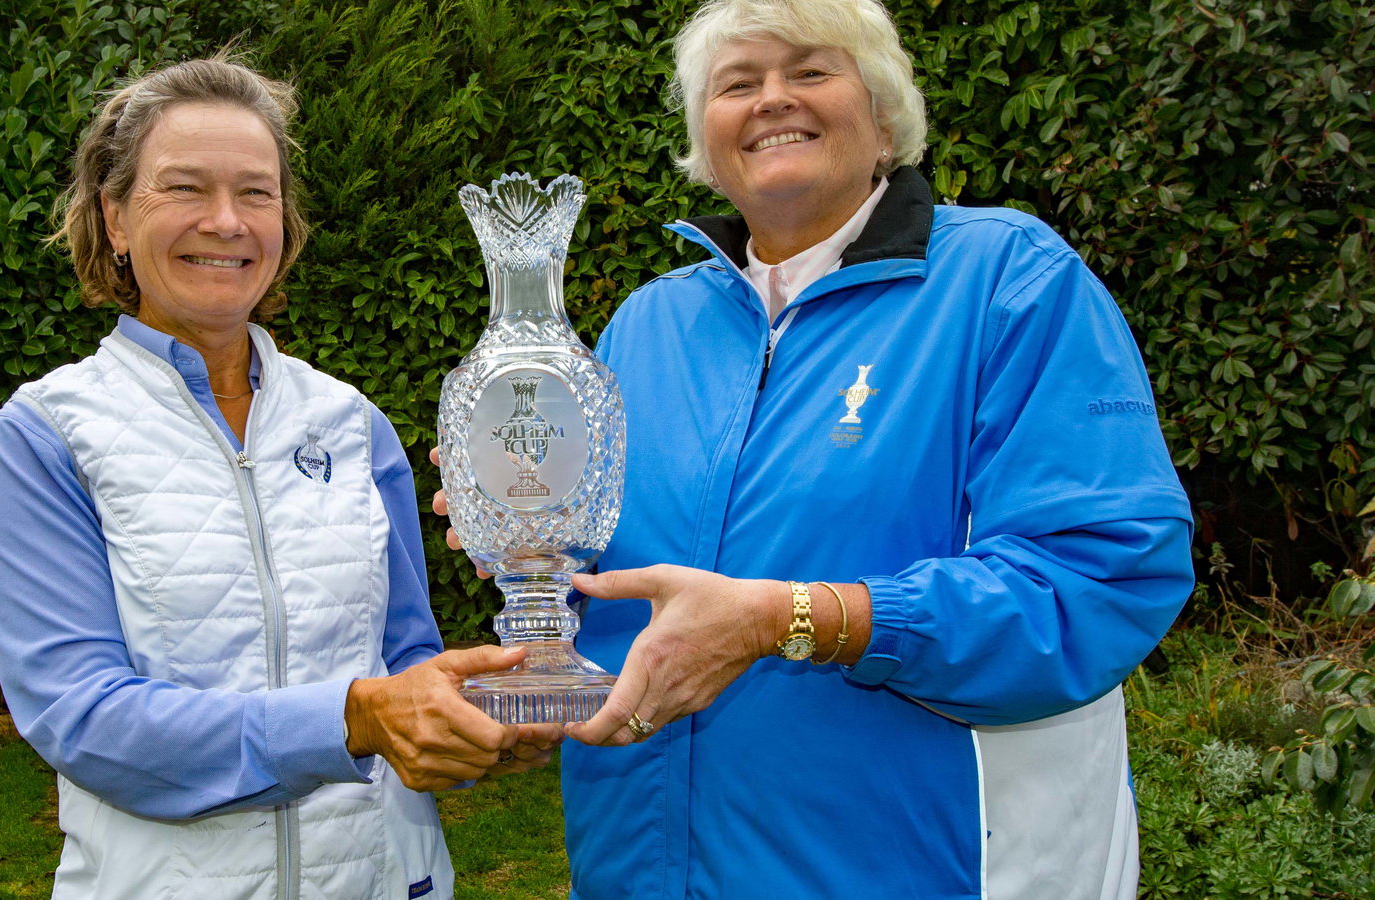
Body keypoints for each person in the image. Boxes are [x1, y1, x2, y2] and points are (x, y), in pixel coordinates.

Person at [431, 1, 1193, 896]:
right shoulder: (651, 323)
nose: (771, 99)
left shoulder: (1007, 280)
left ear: (884, 117)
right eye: (737, 84)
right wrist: (532, 545)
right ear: (704, 138)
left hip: (920, 870)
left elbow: (1100, 581)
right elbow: (630, 584)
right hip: (638, 868)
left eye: (810, 71)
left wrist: (792, 618)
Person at [0, 56, 558, 900]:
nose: (226, 221)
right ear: (114, 218)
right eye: (184, 188)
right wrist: (351, 720)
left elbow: (406, 662)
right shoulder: (46, 436)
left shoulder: (353, 423)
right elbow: (84, 717)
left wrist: (474, 723)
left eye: (256, 192)